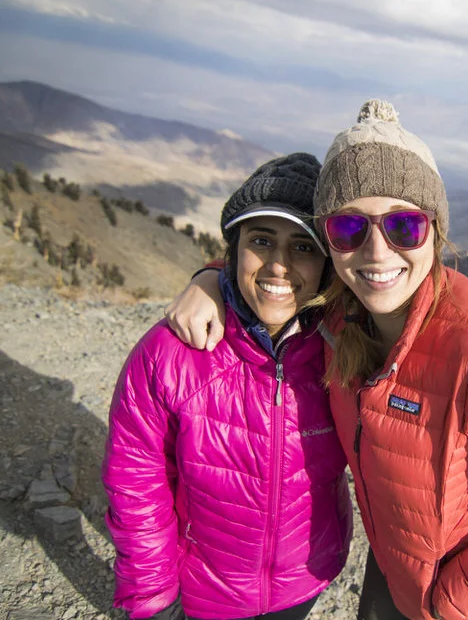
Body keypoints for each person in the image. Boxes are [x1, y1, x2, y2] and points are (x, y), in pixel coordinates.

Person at [167, 101, 468, 620]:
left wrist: (447, 603)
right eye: (348, 229)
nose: (376, 253)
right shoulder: (341, 313)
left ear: (434, 230)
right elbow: (272, 275)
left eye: (403, 227)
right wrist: (211, 279)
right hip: (395, 571)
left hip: (464, 602)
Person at [102, 153, 352, 620]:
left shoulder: (344, 349)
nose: (278, 266)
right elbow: (136, 487)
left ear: (327, 264)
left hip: (305, 581)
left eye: (302, 246)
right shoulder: (172, 352)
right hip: (204, 593)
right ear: (235, 249)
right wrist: (152, 600)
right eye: (261, 241)